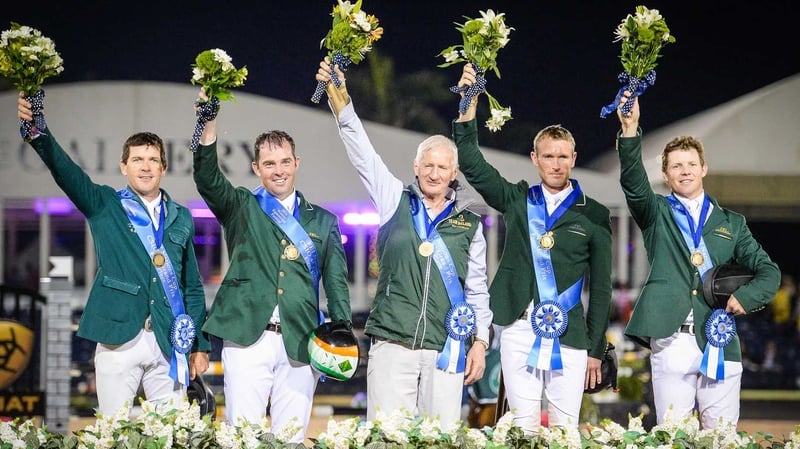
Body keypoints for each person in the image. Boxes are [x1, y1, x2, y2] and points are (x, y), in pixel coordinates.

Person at [316, 58, 493, 428]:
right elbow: (363, 154)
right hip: (392, 344)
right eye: (428, 165)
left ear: (454, 173)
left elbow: (477, 291)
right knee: (387, 436)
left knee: (439, 439)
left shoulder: (471, 225)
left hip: (446, 348)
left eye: (442, 167)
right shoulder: (393, 199)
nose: (434, 173)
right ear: (416, 167)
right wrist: (340, 102)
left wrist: (480, 343)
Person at [16, 93, 210, 417]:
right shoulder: (105, 205)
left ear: (163, 167)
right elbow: (66, 172)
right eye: (137, 159)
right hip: (118, 337)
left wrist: (199, 345)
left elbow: (191, 285)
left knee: (169, 434)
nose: (145, 167)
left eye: (153, 160)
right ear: (123, 167)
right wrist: (38, 132)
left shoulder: (181, 216)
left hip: (168, 341)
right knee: (113, 431)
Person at [452, 63, 613, 433]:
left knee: (564, 430)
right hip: (518, 330)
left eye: (563, 156)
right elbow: (472, 165)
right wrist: (468, 104)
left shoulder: (594, 215)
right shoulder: (517, 199)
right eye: (548, 156)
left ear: (573, 159)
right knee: (522, 427)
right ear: (534, 159)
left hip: (570, 335)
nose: (556, 164)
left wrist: (595, 350)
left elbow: (602, 288)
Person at [192, 89, 352, 442]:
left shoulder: (324, 221)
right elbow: (207, 179)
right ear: (256, 168)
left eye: (284, 162)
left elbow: (336, 282)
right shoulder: (241, 206)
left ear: (296, 163)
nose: (278, 171)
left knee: (290, 438)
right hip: (247, 337)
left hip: (302, 339)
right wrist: (208, 123)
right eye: (269, 164)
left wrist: (341, 329)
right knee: (242, 436)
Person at [615, 92, 780, 429]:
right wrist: (630, 130)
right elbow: (633, 183)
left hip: (719, 337)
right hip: (671, 340)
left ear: (704, 168)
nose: (685, 171)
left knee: (720, 437)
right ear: (665, 174)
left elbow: (769, 272)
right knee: (673, 435)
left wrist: (746, 297)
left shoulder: (732, 223)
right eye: (676, 166)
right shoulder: (656, 212)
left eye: (691, 164)